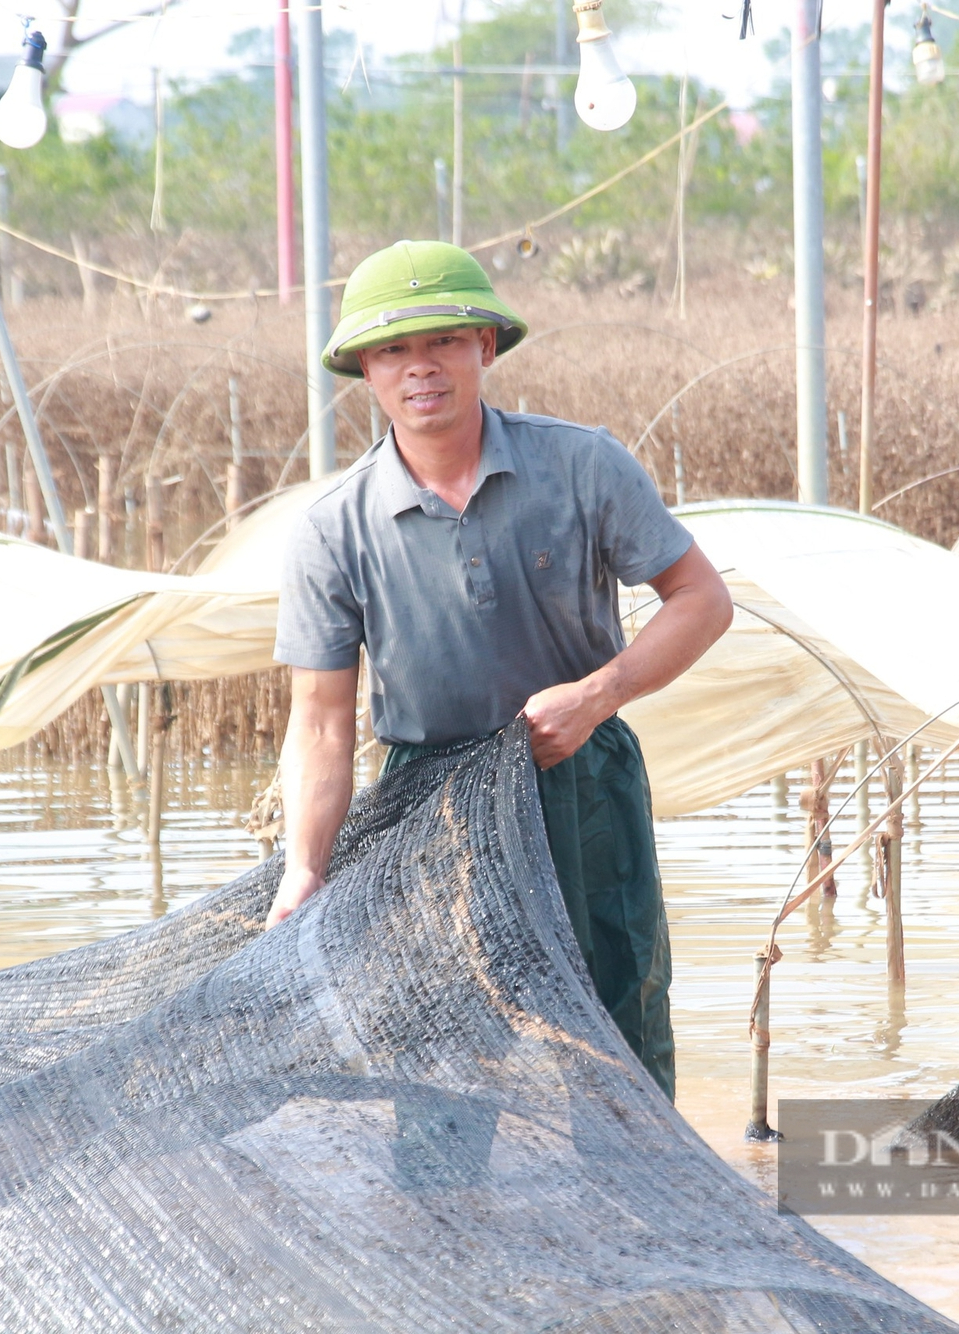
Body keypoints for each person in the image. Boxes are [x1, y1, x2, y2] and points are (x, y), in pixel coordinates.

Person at [266, 241, 732, 1100]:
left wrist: (601, 695)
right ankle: (446, 1225)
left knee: (619, 1032)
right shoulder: (333, 528)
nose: (421, 369)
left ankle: (636, 1218)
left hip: (582, 781)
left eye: (443, 340)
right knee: (439, 1055)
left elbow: (701, 599)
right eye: (394, 350)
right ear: (365, 371)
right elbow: (324, 725)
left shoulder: (582, 465)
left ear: (485, 346)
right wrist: (305, 864)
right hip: (427, 806)